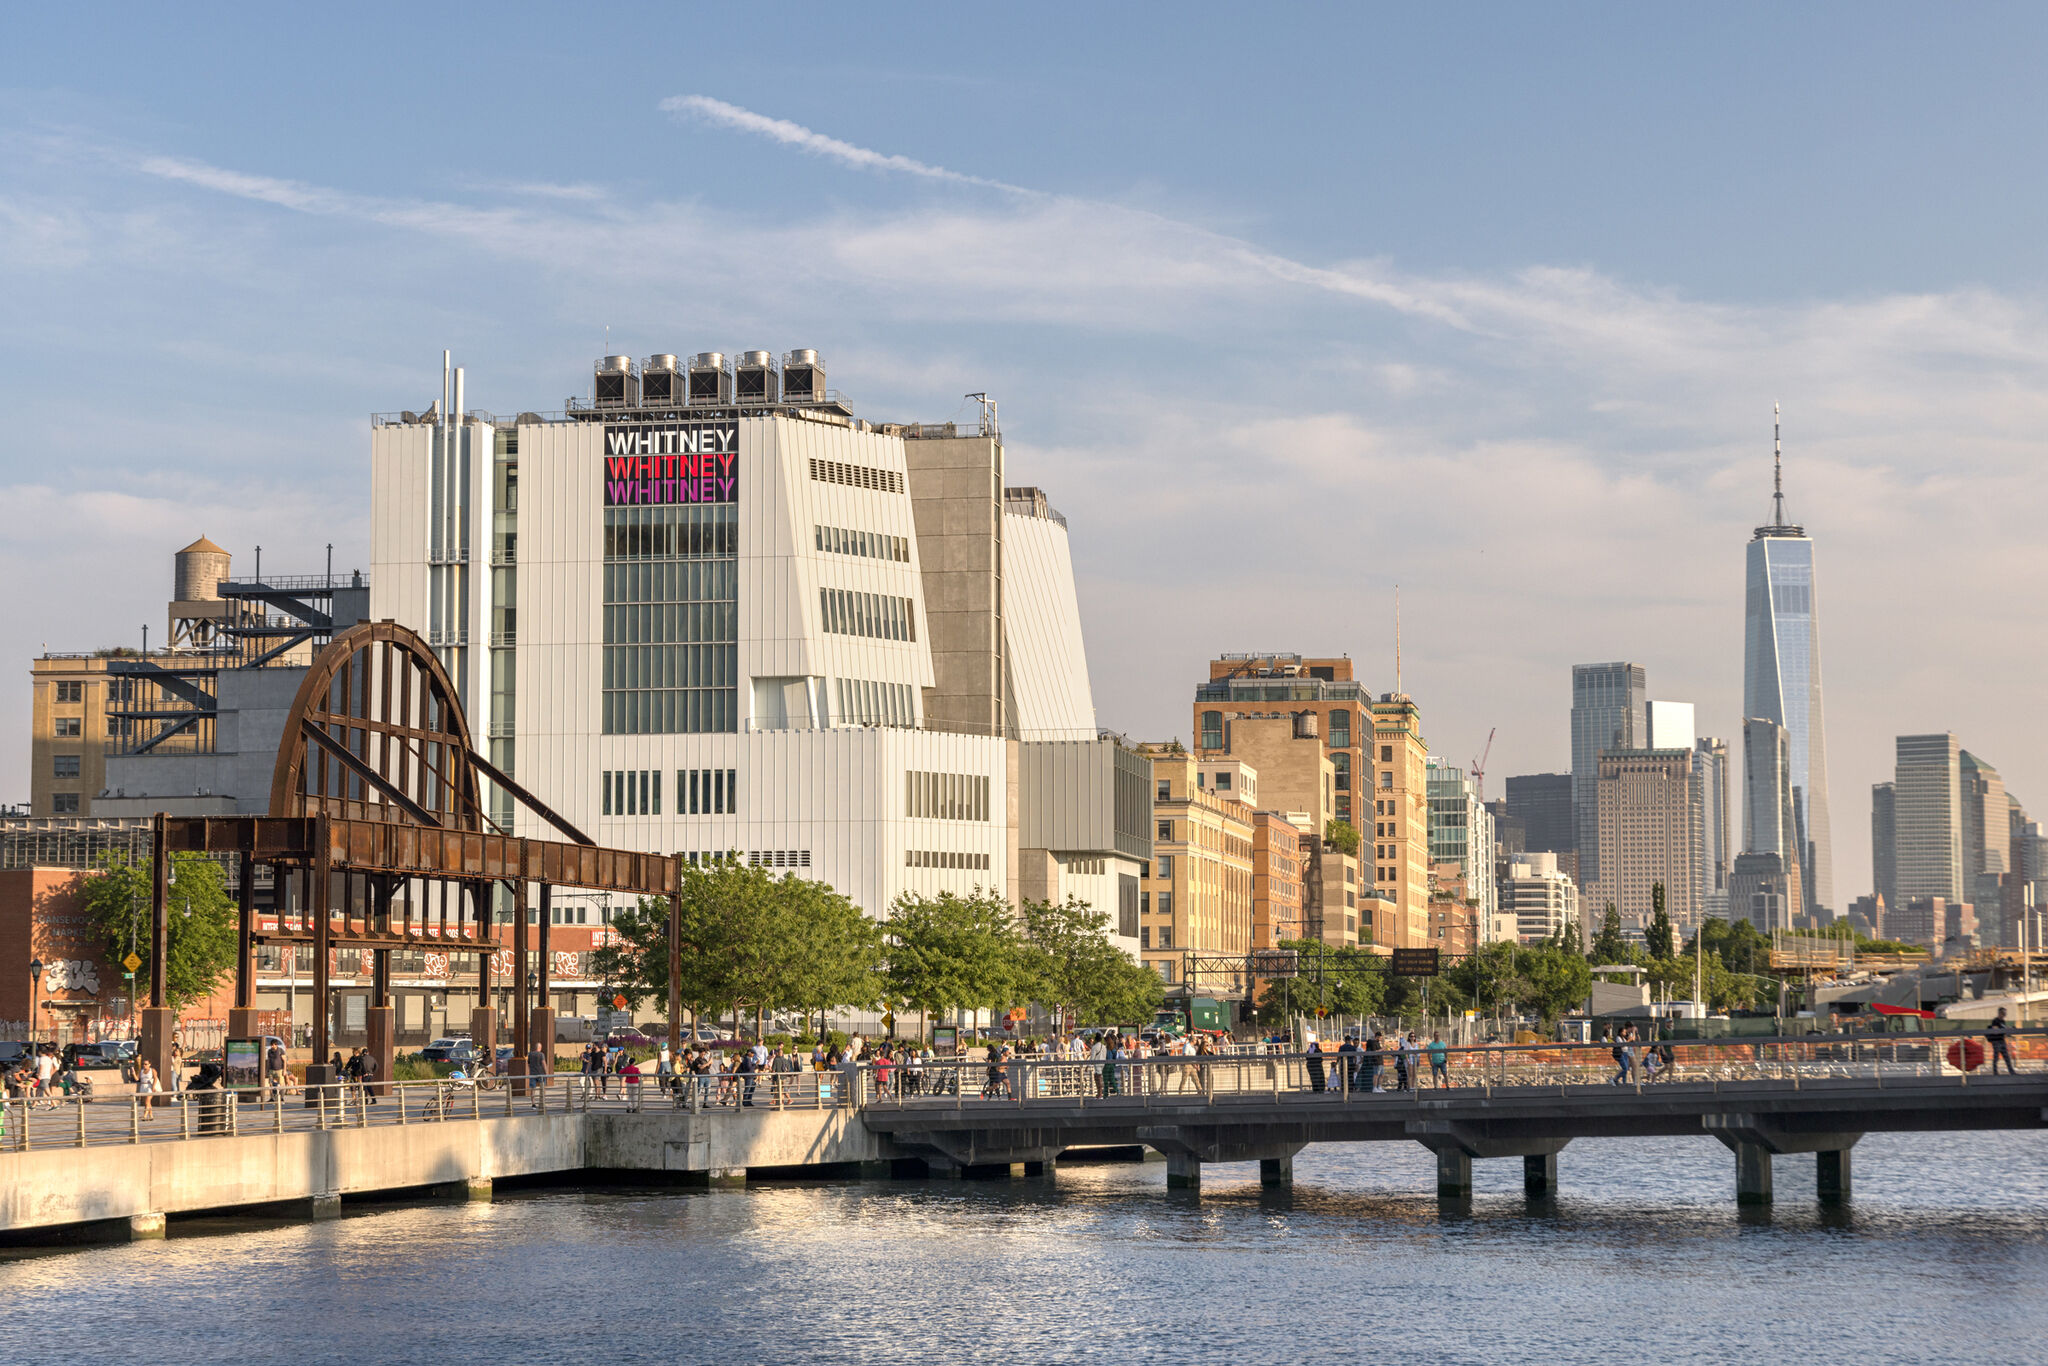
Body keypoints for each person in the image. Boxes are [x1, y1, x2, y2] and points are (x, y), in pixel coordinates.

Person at [1987, 1007, 2019, 1076]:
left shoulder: (2002, 1022)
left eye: (2005, 1013)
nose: (2005, 1015)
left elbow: (2003, 1029)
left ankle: (2011, 1072)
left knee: (2006, 1057)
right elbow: (1995, 1030)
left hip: (2002, 1040)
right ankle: (1995, 1072)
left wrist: (2008, 1029)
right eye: (2003, 1013)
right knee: (1996, 1057)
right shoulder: (1995, 1021)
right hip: (1996, 1041)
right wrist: (2004, 1029)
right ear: (2000, 1013)